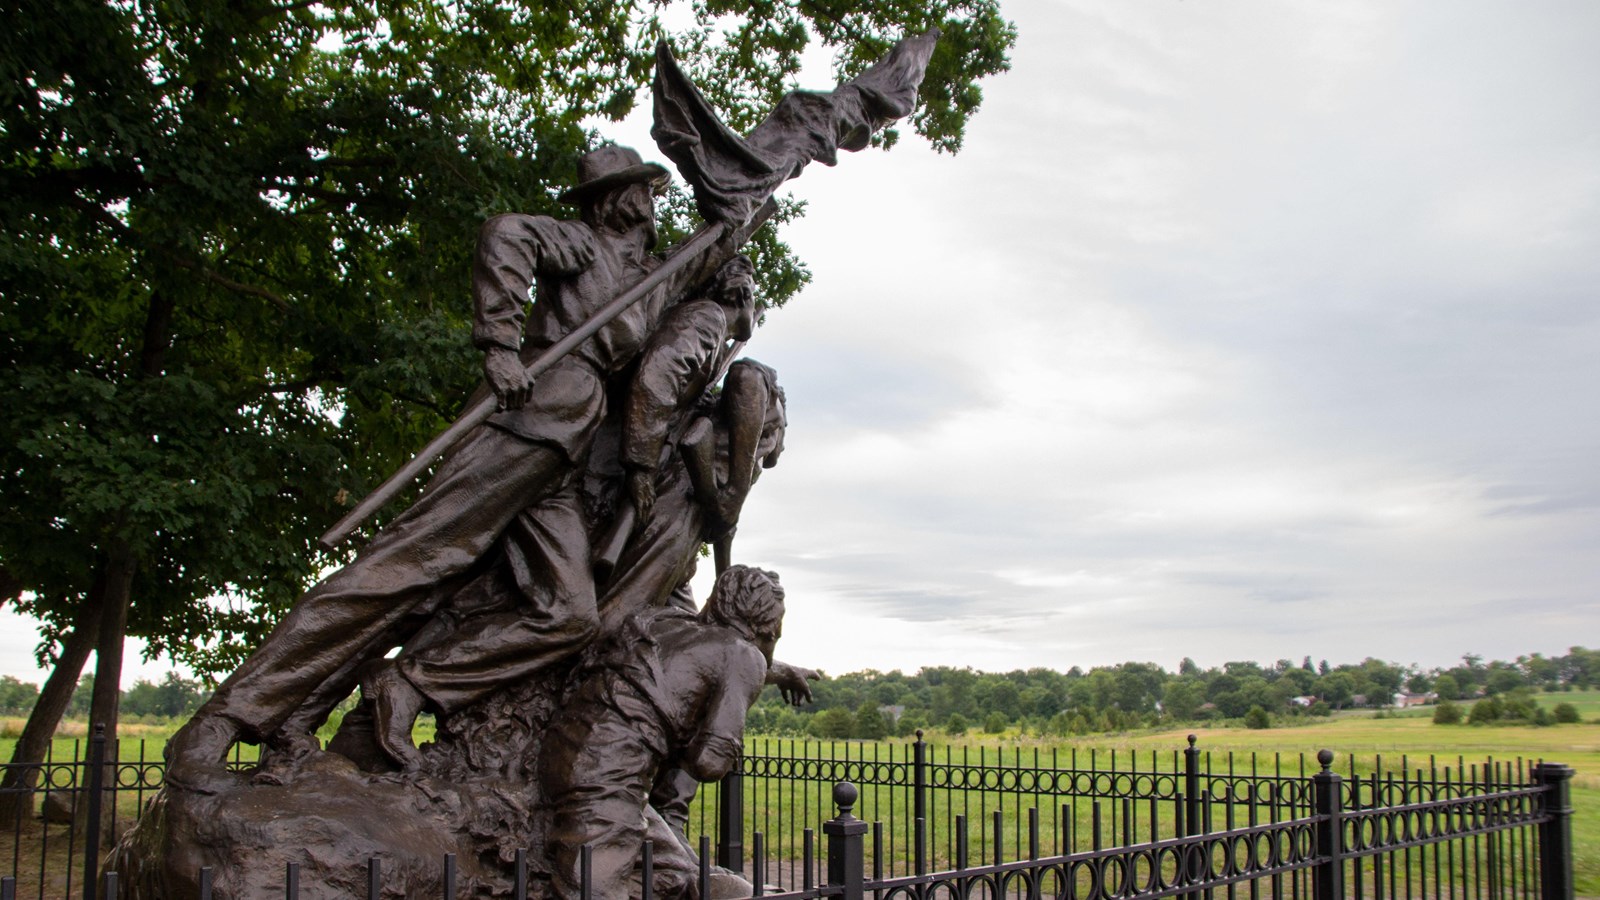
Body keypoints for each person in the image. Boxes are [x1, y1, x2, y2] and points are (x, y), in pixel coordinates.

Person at [167, 145, 736, 789]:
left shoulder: (652, 276)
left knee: (568, 615)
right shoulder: (579, 243)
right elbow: (505, 232)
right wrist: (499, 342)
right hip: (529, 413)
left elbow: (722, 236)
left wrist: (755, 197)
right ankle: (222, 722)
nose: (654, 202)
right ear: (619, 198)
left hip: (564, 454)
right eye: (645, 190)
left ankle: (335, 705)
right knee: (407, 568)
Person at [357, 255, 760, 768]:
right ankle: (407, 682)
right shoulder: (705, 321)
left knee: (492, 595)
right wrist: (639, 467)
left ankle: (383, 700)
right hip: (570, 472)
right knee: (567, 616)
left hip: (570, 469)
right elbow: (657, 381)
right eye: (756, 298)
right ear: (742, 296)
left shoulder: (704, 331)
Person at [538, 565, 785, 900]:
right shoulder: (744, 656)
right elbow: (709, 763)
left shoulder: (669, 622)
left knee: (675, 872)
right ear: (767, 626)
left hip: (559, 747)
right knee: (592, 890)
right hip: (604, 775)